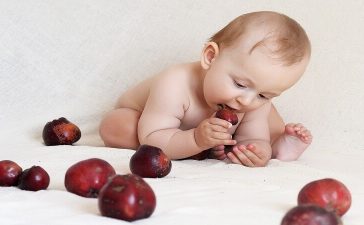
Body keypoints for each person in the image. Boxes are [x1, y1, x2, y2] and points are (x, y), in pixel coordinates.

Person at [99, 11, 313, 167]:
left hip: (203, 134)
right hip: (149, 123)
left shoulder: (250, 100)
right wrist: (195, 140)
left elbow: (254, 138)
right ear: (210, 57)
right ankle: (193, 149)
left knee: (269, 119)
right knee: (118, 126)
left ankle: (281, 147)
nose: (246, 101)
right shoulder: (174, 83)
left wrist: (256, 151)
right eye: (239, 84)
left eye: (264, 94)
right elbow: (152, 138)